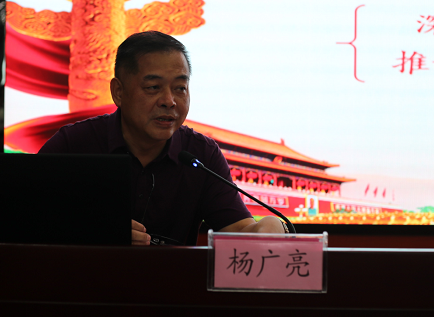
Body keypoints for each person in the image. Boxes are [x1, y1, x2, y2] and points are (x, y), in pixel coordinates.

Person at [39, 31, 287, 245]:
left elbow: (240, 229)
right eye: (153, 87)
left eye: (180, 88)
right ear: (119, 92)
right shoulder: (74, 144)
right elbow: (27, 221)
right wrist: (90, 231)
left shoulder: (201, 155)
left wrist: (267, 228)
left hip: (172, 284)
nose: (169, 101)